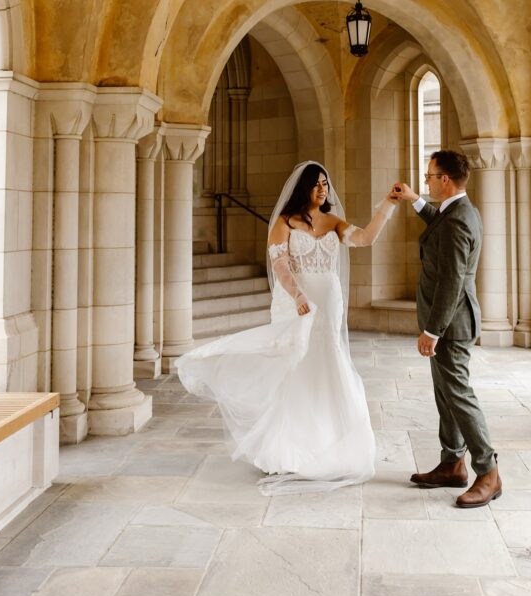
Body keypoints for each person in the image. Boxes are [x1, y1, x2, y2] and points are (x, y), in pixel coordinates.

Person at [177, 161, 398, 495]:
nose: (323, 189)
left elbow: (365, 238)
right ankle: (290, 448)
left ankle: (333, 445)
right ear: (303, 189)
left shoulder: (334, 222)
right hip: (299, 300)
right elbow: (280, 263)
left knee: (328, 360)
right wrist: (297, 294)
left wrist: (388, 206)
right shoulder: (284, 222)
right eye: (316, 184)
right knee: (296, 364)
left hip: (329, 298)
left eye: (325, 183)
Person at [392, 150, 501, 508]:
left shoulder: (457, 220)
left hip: (451, 324)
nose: (426, 180)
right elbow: (436, 221)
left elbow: (452, 281)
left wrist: (433, 330)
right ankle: (452, 463)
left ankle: (488, 472)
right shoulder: (456, 211)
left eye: (429, 176)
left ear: (445, 180)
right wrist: (414, 200)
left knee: (459, 394)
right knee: (446, 394)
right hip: (449, 321)